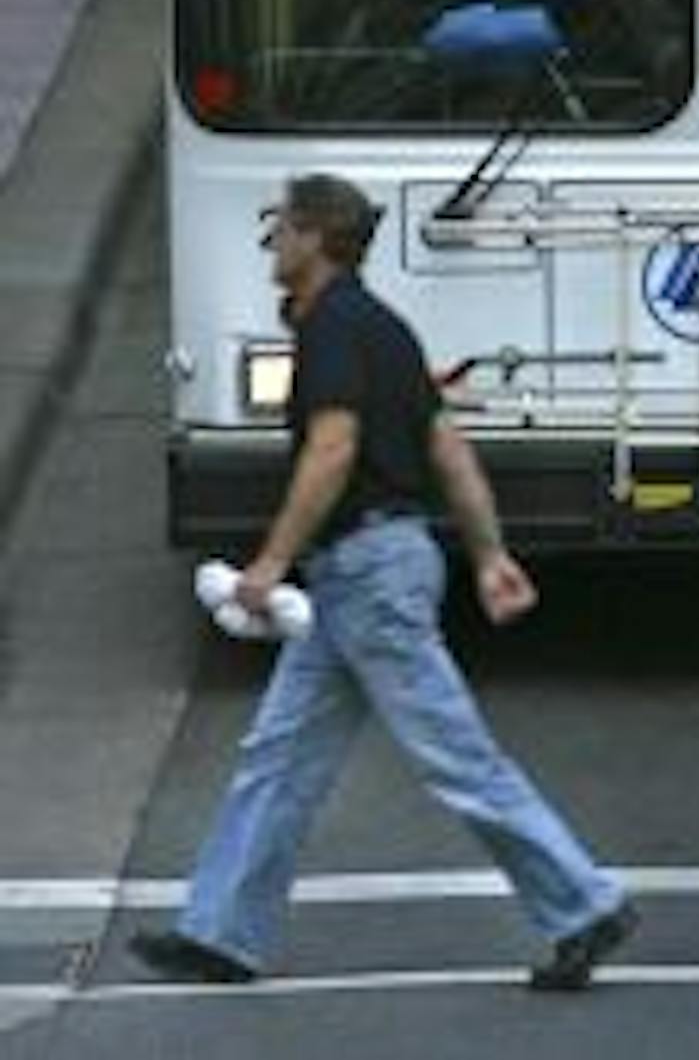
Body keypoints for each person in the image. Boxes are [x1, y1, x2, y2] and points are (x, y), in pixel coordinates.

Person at [129, 173, 638, 992]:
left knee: (454, 754)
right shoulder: (388, 331)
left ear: (318, 238)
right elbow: (448, 451)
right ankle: (220, 933)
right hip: (367, 574)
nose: (273, 241)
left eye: (283, 228)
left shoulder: (333, 328)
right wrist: (488, 553)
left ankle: (582, 902)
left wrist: (267, 562)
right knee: (279, 756)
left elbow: (332, 450)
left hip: (366, 573)